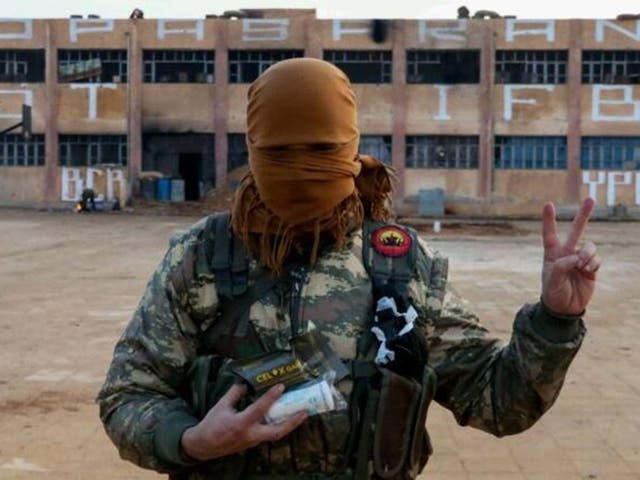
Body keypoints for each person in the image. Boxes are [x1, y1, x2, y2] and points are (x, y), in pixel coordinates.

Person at [97, 58, 600, 479]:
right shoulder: (200, 257)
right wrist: (189, 440)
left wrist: (553, 320)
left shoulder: (399, 265)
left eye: (321, 151)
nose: (302, 168)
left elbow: (497, 401)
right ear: (252, 150)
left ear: (352, 152)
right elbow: (129, 394)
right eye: (280, 152)